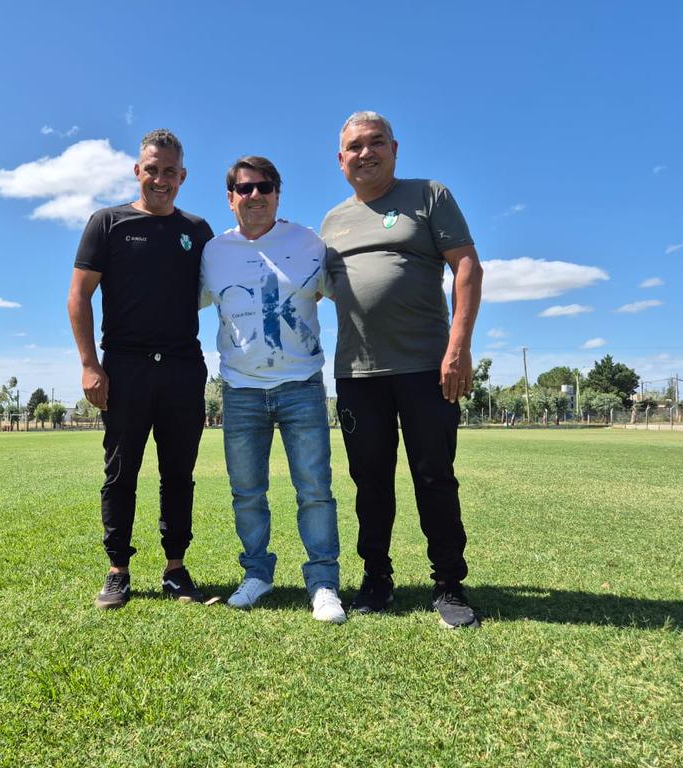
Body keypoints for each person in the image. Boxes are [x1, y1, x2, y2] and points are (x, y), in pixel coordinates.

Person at [320, 111, 484, 628]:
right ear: (340, 158)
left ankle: (450, 584)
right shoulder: (331, 222)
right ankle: (376, 579)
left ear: (395, 148)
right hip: (356, 373)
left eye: (376, 143)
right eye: (354, 147)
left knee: (434, 475)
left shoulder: (428, 195)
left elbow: (467, 267)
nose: (365, 153)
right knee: (369, 481)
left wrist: (458, 348)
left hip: (427, 368)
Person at [67, 129, 214, 609]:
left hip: (182, 367)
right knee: (121, 472)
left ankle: (175, 570)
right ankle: (118, 571)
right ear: (137, 170)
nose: (160, 179)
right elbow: (78, 296)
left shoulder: (197, 231)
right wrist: (90, 365)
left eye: (170, 171)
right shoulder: (107, 223)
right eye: (152, 169)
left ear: (183, 176)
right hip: (125, 368)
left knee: (179, 472)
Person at [200, 156, 345, 624]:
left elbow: (334, 290)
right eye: (244, 189)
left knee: (315, 491)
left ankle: (323, 583)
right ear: (230, 198)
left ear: (278, 193)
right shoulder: (212, 252)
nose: (254, 196)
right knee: (246, 493)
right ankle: (257, 574)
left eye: (264, 187)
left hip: (302, 386)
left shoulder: (308, 242)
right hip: (240, 391)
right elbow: (182, 300)